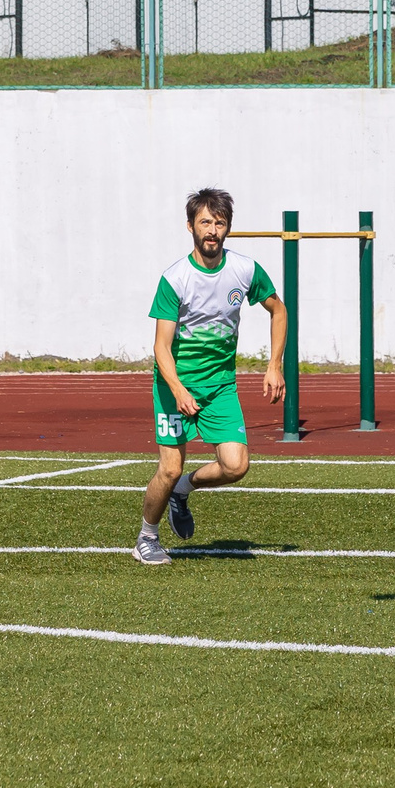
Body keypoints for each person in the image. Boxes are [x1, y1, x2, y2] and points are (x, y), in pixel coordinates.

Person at [139, 188, 288, 565]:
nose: (212, 230)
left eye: (219, 223)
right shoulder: (175, 279)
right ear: (190, 226)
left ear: (228, 229)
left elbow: (279, 310)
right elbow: (160, 347)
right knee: (169, 468)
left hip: (221, 386)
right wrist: (177, 388)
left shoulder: (245, 270)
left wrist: (274, 365)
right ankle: (147, 538)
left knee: (236, 466)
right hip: (176, 385)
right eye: (205, 222)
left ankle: (184, 491)